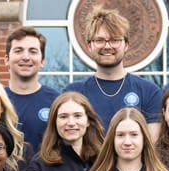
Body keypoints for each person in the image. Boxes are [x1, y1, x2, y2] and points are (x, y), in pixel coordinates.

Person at [64, 6, 163, 137]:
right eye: (99, 40)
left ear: (126, 45)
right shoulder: (74, 93)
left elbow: (151, 146)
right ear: (89, 46)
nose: (107, 46)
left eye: (115, 40)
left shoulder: (149, 92)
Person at [4, 26, 61, 151]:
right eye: (18, 51)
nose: (25, 57)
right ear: (7, 60)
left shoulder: (56, 101)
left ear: (42, 61)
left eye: (33, 51)